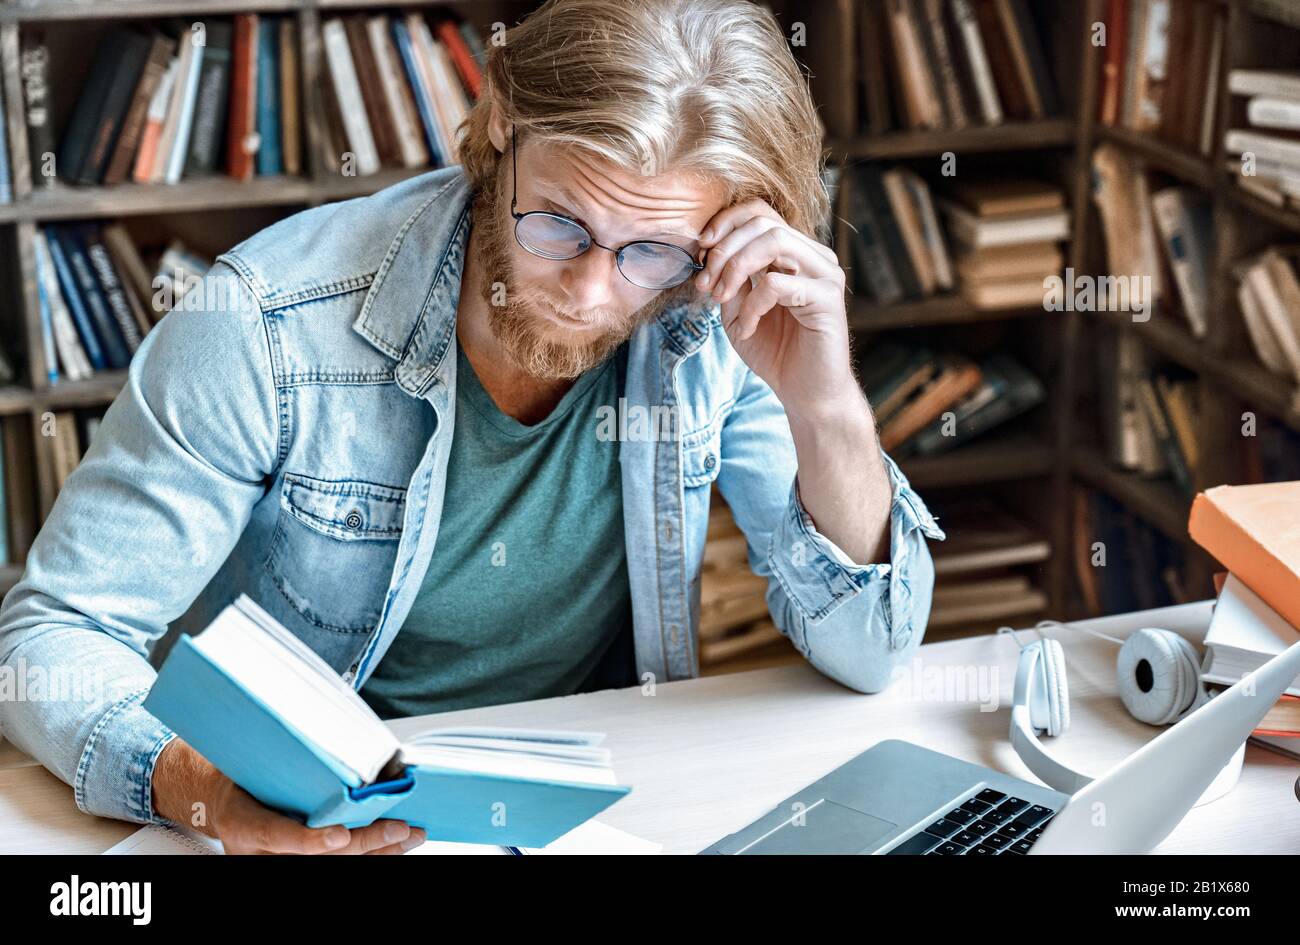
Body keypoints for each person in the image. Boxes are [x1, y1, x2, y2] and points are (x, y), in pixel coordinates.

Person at [0, 0, 944, 854]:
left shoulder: (709, 318)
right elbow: (48, 637)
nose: (589, 292)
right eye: (560, 224)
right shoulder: (264, 323)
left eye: (651, 250)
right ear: (500, 125)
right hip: (321, 817)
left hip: (588, 805)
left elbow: (869, 651)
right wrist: (203, 791)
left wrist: (822, 401)